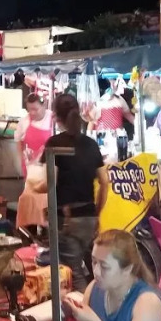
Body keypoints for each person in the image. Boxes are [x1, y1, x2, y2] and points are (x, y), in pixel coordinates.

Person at [33, 93, 110, 291]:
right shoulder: (91, 144)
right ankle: (97, 303)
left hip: (67, 219)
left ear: (56, 117)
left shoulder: (54, 144)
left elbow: (50, 182)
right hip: (89, 218)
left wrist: (34, 187)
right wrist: (96, 212)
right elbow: (105, 182)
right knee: (91, 270)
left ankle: (87, 309)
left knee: (73, 273)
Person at [14, 94, 54, 229]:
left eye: (35, 109)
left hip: (49, 168)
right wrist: (22, 158)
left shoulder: (52, 119)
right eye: (29, 109)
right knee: (31, 200)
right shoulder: (24, 121)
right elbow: (18, 140)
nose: (32, 113)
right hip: (31, 169)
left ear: (44, 106)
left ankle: (46, 228)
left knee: (47, 200)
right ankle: (31, 228)